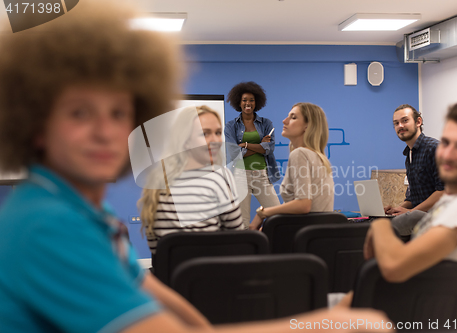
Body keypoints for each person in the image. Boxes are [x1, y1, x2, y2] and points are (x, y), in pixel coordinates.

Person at [0, 1, 391, 332]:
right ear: (36, 123)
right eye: (80, 113)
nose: (105, 131)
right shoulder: (46, 224)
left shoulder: (86, 210)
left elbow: (152, 291)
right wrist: (325, 323)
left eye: (119, 112)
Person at [364, 102, 457, 283]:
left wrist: (379, 227)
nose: (447, 154)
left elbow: (395, 267)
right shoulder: (454, 202)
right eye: (446, 142)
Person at [138, 106, 245, 256]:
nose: (215, 140)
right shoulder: (219, 177)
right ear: (185, 141)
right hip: (213, 274)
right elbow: (237, 241)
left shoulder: (155, 181)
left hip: (170, 276)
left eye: (218, 133)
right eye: (205, 134)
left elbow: (157, 249)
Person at [250, 103, 334, 230]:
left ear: (307, 126)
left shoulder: (300, 154)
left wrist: (263, 213)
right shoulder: (319, 157)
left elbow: (303, 204)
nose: (285, 121)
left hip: (301, 236)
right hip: (315, 237)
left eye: (293, 117)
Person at [225, 82, 281, 228]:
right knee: (241, 220)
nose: (248, 103)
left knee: (277, 214)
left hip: (262, 174)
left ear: (257, 103)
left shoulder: (266, 124)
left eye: (251, 100)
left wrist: (246, 145)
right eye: (244, 100)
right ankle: (243, 249)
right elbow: (234, 153)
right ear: (239, 102)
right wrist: (260, 146)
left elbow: (269, 148)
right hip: (239, 175)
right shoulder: (231, 126)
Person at [385, 104, 445, 235]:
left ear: (418, 122)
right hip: (420, 219)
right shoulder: (409, 154)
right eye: (396, 123)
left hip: (438, 219)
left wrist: (411, 213)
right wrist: (398, 209)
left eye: (405, 120)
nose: (400, 126)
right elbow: (414, 197)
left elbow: (443, 191)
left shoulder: (434, 149)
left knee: (389, 231)